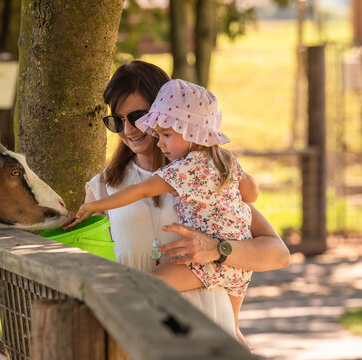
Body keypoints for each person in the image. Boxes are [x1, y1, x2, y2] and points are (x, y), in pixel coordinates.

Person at [71, 60, 290, 344]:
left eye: (138, 116)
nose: (128, 130)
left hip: (210, 334)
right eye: (117, 120)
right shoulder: (102, 190)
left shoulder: (207, 175)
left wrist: (217, 249)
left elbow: (278, 253)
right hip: (140, 339)